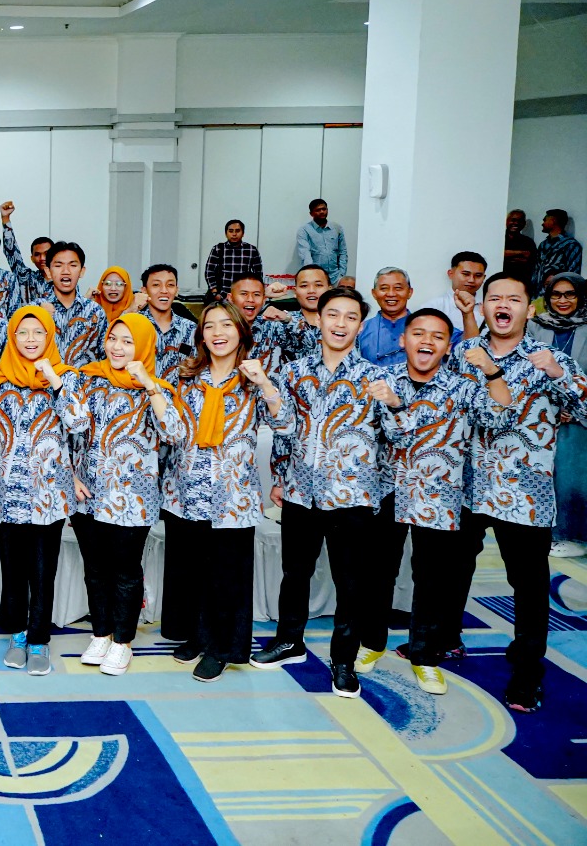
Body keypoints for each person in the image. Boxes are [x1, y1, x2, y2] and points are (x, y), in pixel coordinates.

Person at [448, 273, 587, 713]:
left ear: (531, 309)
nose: (502, 305)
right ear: (484, 306)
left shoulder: (547, 357)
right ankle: (446, 639)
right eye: (494, 298)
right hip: (469, 484)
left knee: (527, 586)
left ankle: (528, 674)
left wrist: (559, 373)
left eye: (513, 298)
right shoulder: (465, 353)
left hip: (526, 490)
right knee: (453, 570)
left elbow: (584, 408)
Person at [355, 308, 512, 695]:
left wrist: (492, 371)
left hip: (440, 493)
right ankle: (372, 643)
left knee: (432, 578)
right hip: (387, 489)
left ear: (448, 346)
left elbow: (499, 415)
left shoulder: (462, 386)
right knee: (378, 572)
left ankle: (424, 655)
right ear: (402, 340)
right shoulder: (380, 380)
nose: (427, 341)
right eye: (419, 333)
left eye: (438, 336)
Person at [251, 287, 390, 700]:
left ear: (360, 326)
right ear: (320, 318)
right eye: (333, 314)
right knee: (295, 573)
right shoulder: (294, 371)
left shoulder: (377, 379)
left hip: (352, 496)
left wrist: (396, 404)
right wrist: (278, 476)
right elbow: (284, 430)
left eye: (350, 317)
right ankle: (289, 641)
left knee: (351, 582)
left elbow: (396, 438)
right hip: (300, 490)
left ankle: (343, 660)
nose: (340, 323)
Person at [161, 302, 283, 682]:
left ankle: (221, 648)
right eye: (209, 326)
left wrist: (264, 383)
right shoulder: (184, 376)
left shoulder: (254, 378)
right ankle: (197, 636)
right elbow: (168, 432)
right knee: (192, 570)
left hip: (232, 496)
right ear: (200, 336)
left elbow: (286, 424)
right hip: (186, 491)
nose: (217, 332)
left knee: (226, 575)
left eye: (226, 324)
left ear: (241, 332)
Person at [62, 313, 187, 677]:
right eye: (113, 338)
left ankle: (122, 642)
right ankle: (100, 634)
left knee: (125, 572)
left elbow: (175, 432)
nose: (117, 347)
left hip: (133, 498)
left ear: (145, 347)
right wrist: (70, 475)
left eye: (128, 341)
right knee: (95, 570)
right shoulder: (88, 378)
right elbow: (68, 431)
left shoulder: (155, 388)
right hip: (89, 493)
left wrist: (149, 385)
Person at [0, 306, 75, 677]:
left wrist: (54, 379)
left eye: (39, 332)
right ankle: (18, 633)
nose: (31, 339)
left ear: (50, 336)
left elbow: (79, 422)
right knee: (14, 567)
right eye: (23, 333)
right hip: (6, 491)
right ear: (12, 337)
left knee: (42, 569)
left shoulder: (67, 378)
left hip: (47, 493)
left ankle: (39, 639)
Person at [527, 273, 587, 557]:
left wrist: (570, 406)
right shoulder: (534, 327)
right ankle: (540, 529)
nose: (562, 300)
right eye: (556, 295)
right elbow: (524, 370)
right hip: (541, 410)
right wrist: (551, 405)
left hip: (579, 413)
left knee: (569, 471)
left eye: (570, 294)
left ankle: (570, 535)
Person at [43, 242, 107, 368]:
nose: (66, 271)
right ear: (48, 271)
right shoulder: (34, 310)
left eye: (73, 265)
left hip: (84, 384)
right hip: (45, 384)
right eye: (58, 265)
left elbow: (104, 357)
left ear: (82, 271)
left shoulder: (95, 312)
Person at [260, 263, 330, 362]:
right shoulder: (281, 320)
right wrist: (263, 295)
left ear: (329, 289)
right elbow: (238, 321)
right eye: (304, 285)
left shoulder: (340, 324)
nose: (311, 290)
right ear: (295, 292)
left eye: (318, 285)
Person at [140, 264, 196, 383]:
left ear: (176, 290)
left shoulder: (190, 328)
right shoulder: (133, 326)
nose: (164, 291)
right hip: (141, 396)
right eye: (156, 285)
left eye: (170, 285)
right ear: (144, 291)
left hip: (179, 397)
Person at [358, 267, 413, 366]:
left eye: (398, 288)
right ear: (374, 293)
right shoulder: (360, 330)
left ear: (410, 292)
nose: (391, 294)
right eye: (384, 288)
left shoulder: (425, 329)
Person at [431, 252, 487, 344]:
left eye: (478, 276)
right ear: (450, 274)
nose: (471, 280)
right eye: (466, 274)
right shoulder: (433, 307)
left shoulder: (490, 307)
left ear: (484, 277)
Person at [204, 219, 263, 301]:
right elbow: (209, 272)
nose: (234, 234)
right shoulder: (218, 249)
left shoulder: (251, 250)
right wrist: (215, 293)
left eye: (237, 231)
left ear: (243, 233)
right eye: (231, 231)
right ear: (226, 233)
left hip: (243, 297)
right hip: (222, 296)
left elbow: (258, 274)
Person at [294, 198, 348, 284]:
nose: (322, 212)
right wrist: (312, 275)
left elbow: (342, 252)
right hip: (316, 278)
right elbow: (305, 254)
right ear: (311, 213)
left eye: (324, 209)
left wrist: (342, 273)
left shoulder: (337, 228)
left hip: (336, 277)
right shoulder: (304, 230)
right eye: (318, 210)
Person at [533, 208, 583, 296]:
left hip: (557, 295)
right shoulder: (543, 245)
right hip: (538, 296)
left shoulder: (570, 245)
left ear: (553, 221)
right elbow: (536, 270)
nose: (542, 223)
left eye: (545, 220)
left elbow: (573, 274)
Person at [503, 209, 537, 283]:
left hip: (520, 282)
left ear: (524, 224)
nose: (516, 223)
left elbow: (529, 261)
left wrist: (507, 256)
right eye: (513, 220)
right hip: (499, 279)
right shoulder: (498, 239)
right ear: (506, 221)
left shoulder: (528, 242)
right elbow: (497, 255)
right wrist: (521, 253)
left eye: (520, 221)